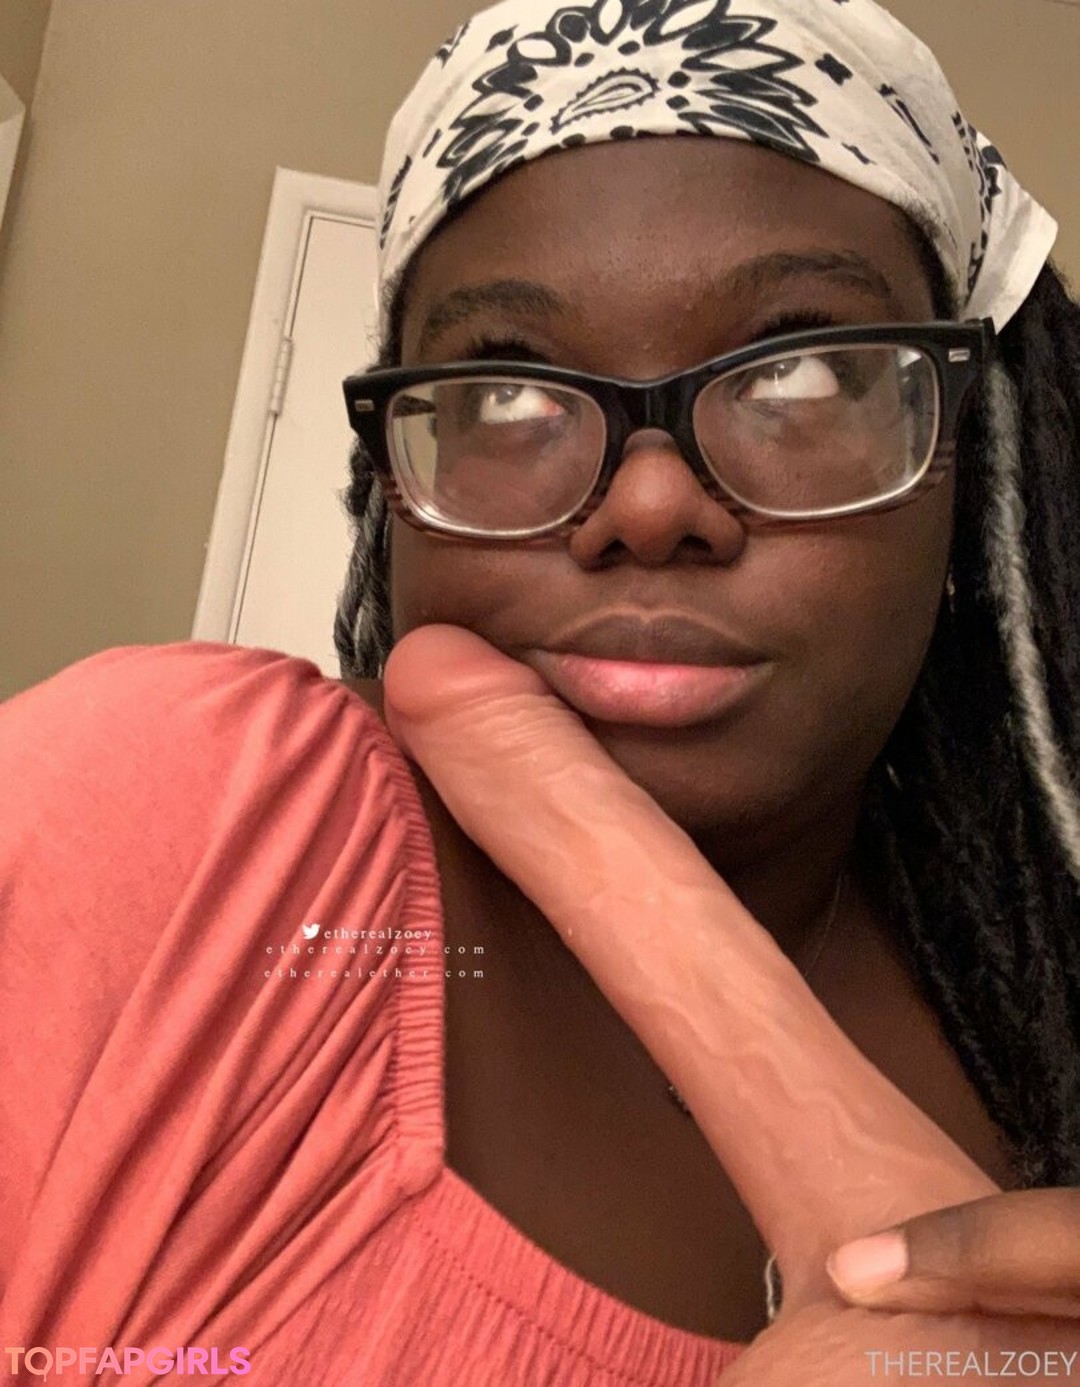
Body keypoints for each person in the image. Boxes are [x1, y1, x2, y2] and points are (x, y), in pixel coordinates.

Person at [2, 1, 1078, 1383]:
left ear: (966, 464)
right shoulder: (166, 829)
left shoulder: (1045, 999)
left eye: (801, 368)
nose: (648, 505)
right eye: (507, 391)